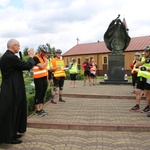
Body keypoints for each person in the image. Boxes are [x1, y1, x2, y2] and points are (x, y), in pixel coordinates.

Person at [0, 39, 35, 144]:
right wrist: (31, 57)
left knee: (14, 110)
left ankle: (13, 133)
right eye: (18, 46)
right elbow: (27, 66)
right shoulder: (11, 57)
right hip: (12, 88)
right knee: (12, 111)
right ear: (13, 46)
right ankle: (9, 137)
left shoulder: (7, 56)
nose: (19, 47)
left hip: (10, 86)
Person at [130, 45, 150, 113]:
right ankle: (137, 106)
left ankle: (148, 107)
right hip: (140, 76)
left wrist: (147, 69)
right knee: (137, 92)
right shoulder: (142, 58)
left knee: (147, 93)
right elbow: (137, 65)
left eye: (146, 52)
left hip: (148, 77)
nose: (145, 53)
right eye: (145, 51)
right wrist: (144, 62)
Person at [33, 45, 49, 116]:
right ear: (40, 51)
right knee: (38, 94)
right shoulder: (35, 58)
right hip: (38, 78)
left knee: (43, 93)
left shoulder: (43, 58)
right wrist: (46, 61)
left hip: (44, 78)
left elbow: (46, 69)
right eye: (44, 52)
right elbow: (42, 66)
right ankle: (37, 110)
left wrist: (47, 79)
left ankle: (41, 109)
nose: (45, 54)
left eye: (46, 52)